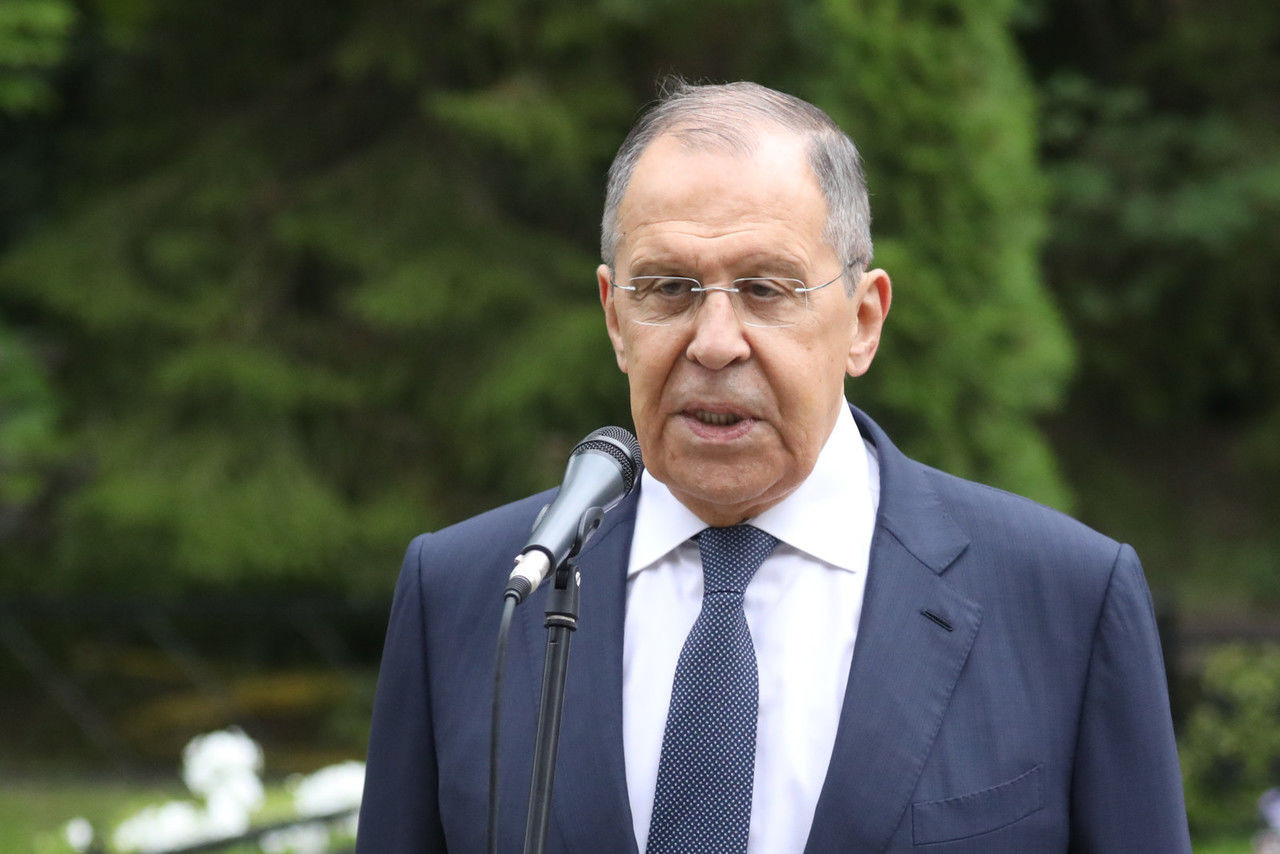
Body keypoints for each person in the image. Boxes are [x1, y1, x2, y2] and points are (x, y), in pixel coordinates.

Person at [356, 81, 1191, 853]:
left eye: (765, 289)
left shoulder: (1065, 599)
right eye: (669, 288)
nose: (715, 343)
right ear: (615, 318)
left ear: (863, 321)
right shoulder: (473, 593)